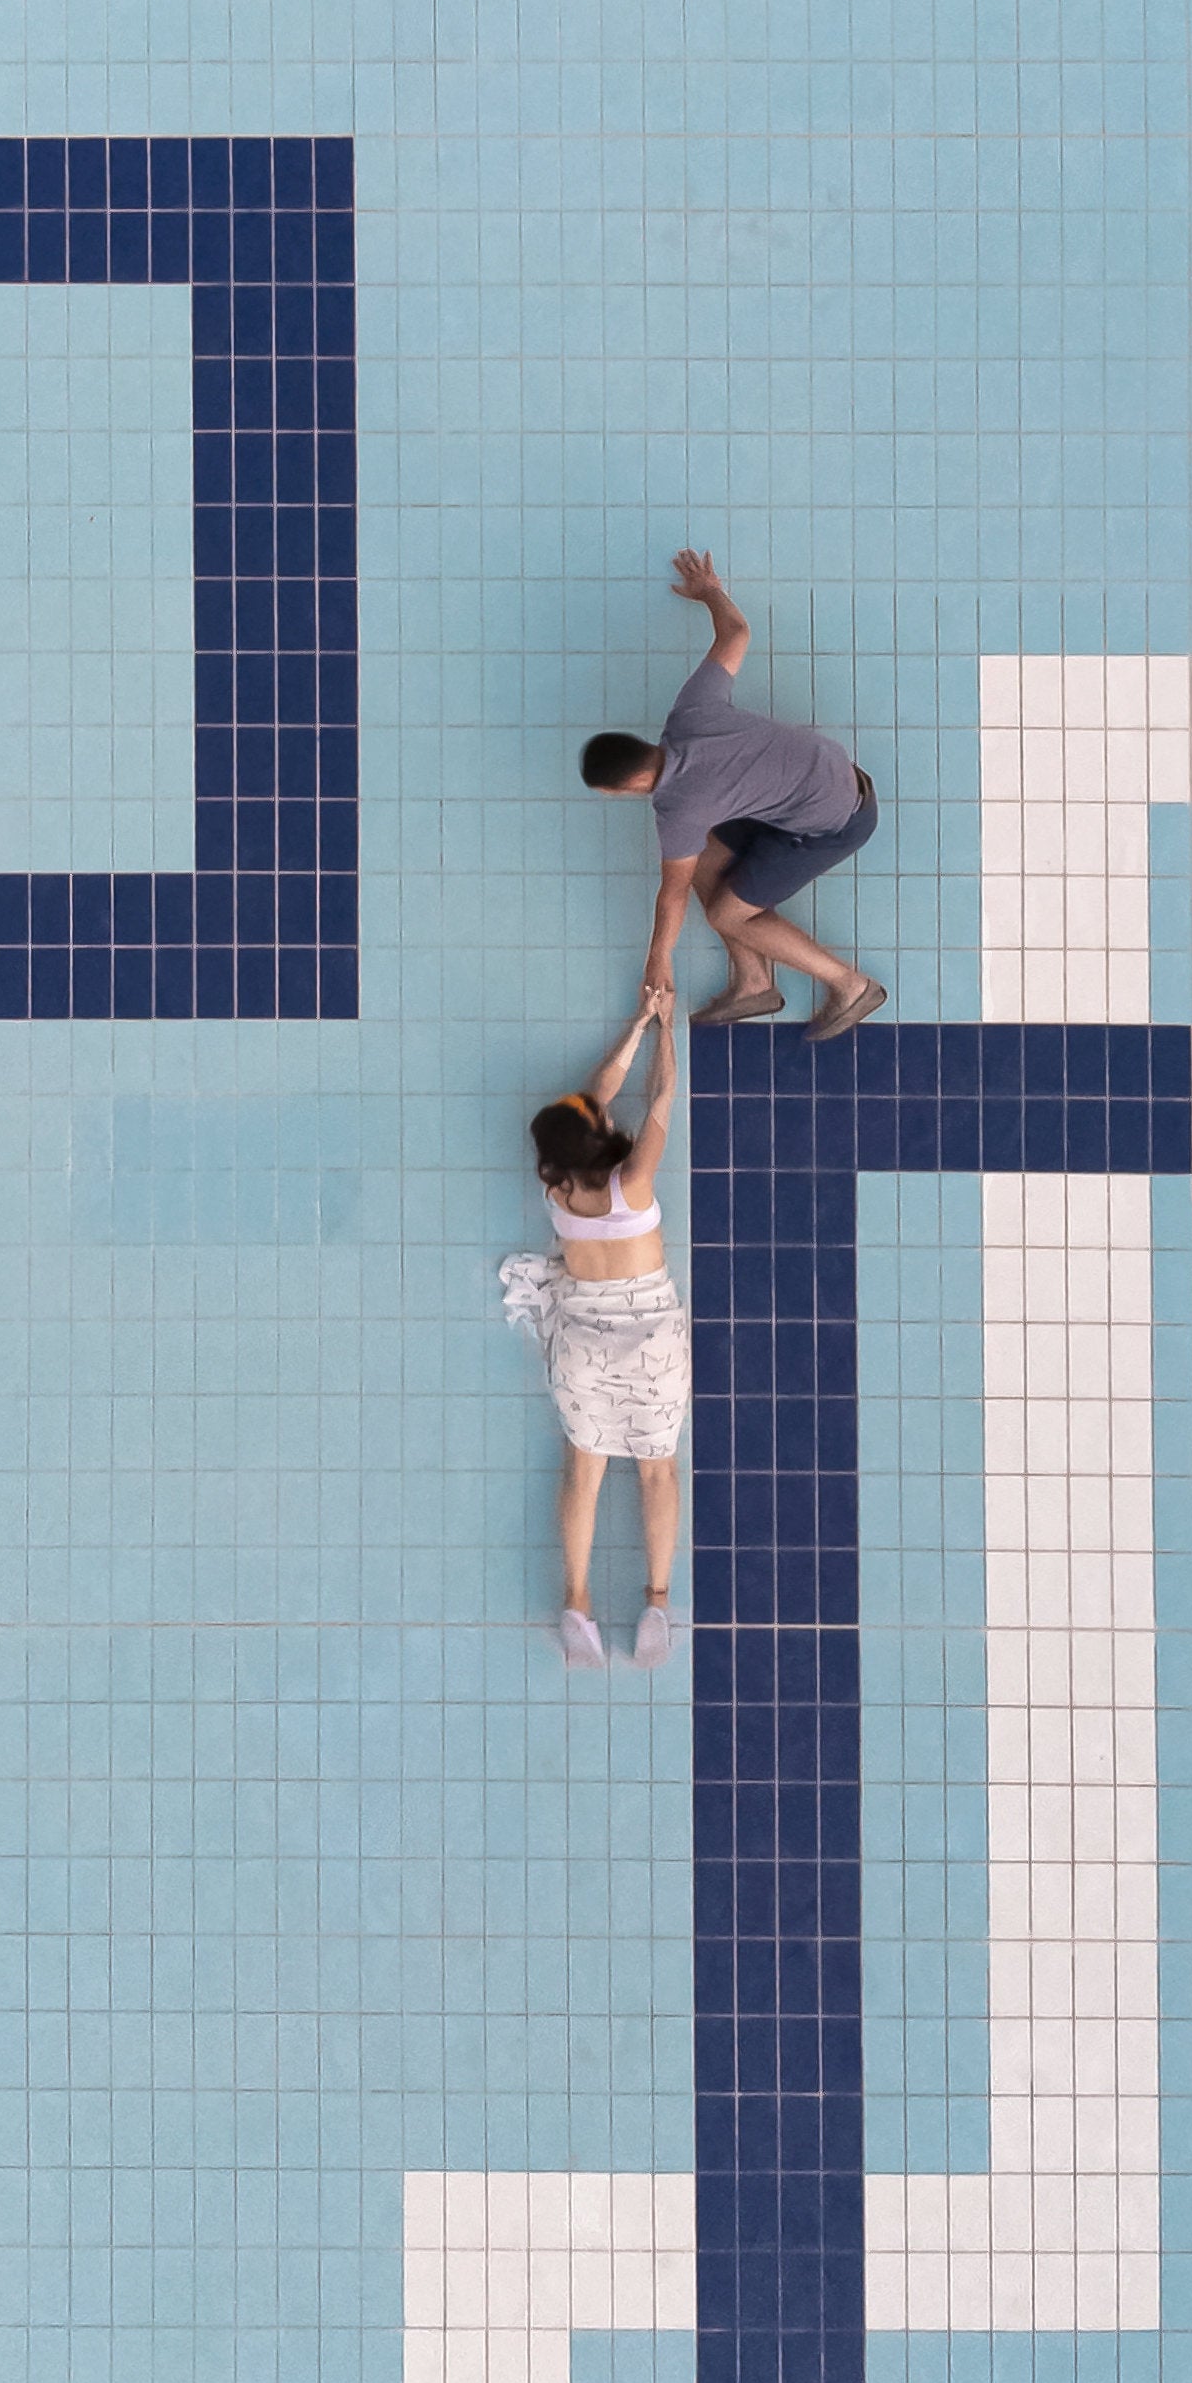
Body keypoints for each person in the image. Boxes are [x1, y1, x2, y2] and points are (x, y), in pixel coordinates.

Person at [579, 550, 885, 1039]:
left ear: (630, 785)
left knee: (726, 911)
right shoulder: (689, 714)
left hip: (837, 821)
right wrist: (710, 593)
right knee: (699, 857)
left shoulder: (676, 808)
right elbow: (736, 634)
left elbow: (671, 895)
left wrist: (657, 962)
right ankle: (754, 983)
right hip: (833, 774)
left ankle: (851, 986)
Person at [498, 981, 689, 1669]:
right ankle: (656, 1604)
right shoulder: (632, 1180)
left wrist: (637, 1020)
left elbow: (593, 1097)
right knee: (656, 1472)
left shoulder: (557, 1185)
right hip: (651, 1340)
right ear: (600, 1130)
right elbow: (659, 1095)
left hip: (580, 1336)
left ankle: (577, 1604)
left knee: (585, 1470)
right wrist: (666, 1030)